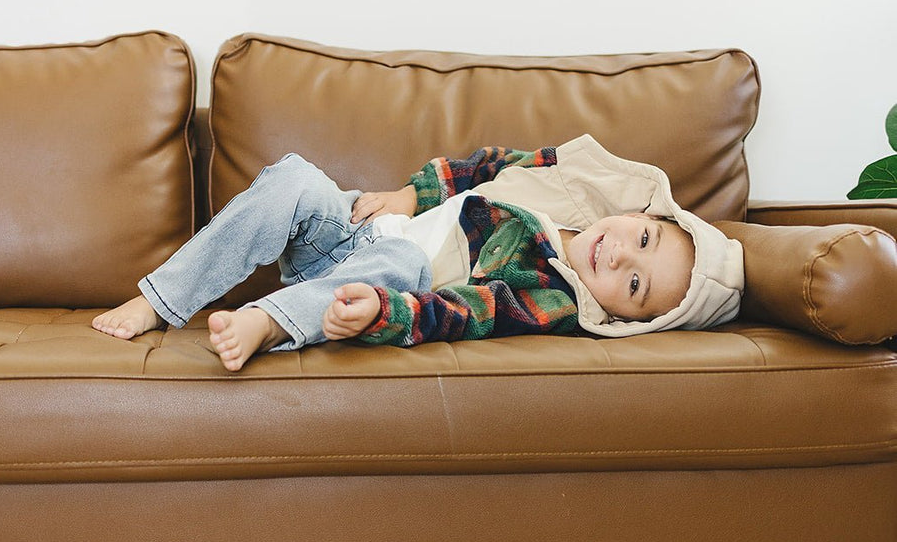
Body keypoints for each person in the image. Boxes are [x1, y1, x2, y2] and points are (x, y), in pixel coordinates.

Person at [92, 134, 745, 371]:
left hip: (382, 278)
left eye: (635, 285)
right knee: (296, 177)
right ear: (642, 214)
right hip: (353, 235)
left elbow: (461, 313)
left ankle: (271, 321)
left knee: (405, 267)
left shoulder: (549, 293)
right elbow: (485, 164)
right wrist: (409, 194)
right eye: (644, 238)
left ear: (625, 318)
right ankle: (161, 300)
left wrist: (381, 313)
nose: (620, 256)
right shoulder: (563, 188)